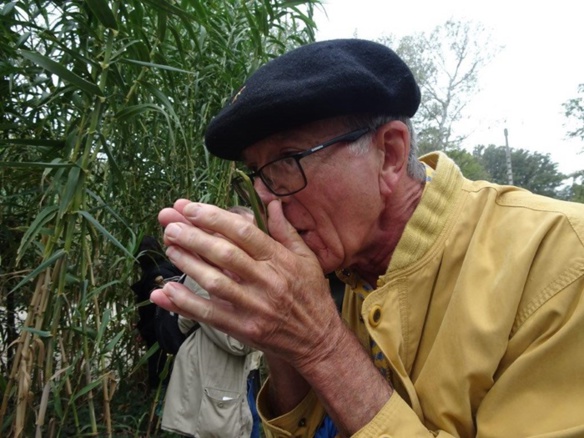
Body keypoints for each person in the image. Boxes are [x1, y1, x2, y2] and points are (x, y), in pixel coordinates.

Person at [150, 39, 584, 437]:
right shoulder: (347, 263)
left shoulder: (560, 258)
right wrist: (277, 332)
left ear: (390, 154)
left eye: (288, 160)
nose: (268, 202)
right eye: (258, 174)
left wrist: (321, 344)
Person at [161, 206, 263, 438]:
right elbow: (238, 343)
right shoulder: (206, 278)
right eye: (240, 233)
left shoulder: (237, 278)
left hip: (243, 381)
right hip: (213, 383)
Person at [131, 236, 182, 389]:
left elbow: (158, 311)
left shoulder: (157, 274)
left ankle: (160, 406)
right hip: (172, 335)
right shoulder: (169, 268)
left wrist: (145, 329)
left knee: (162, 376)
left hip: (162, 337)